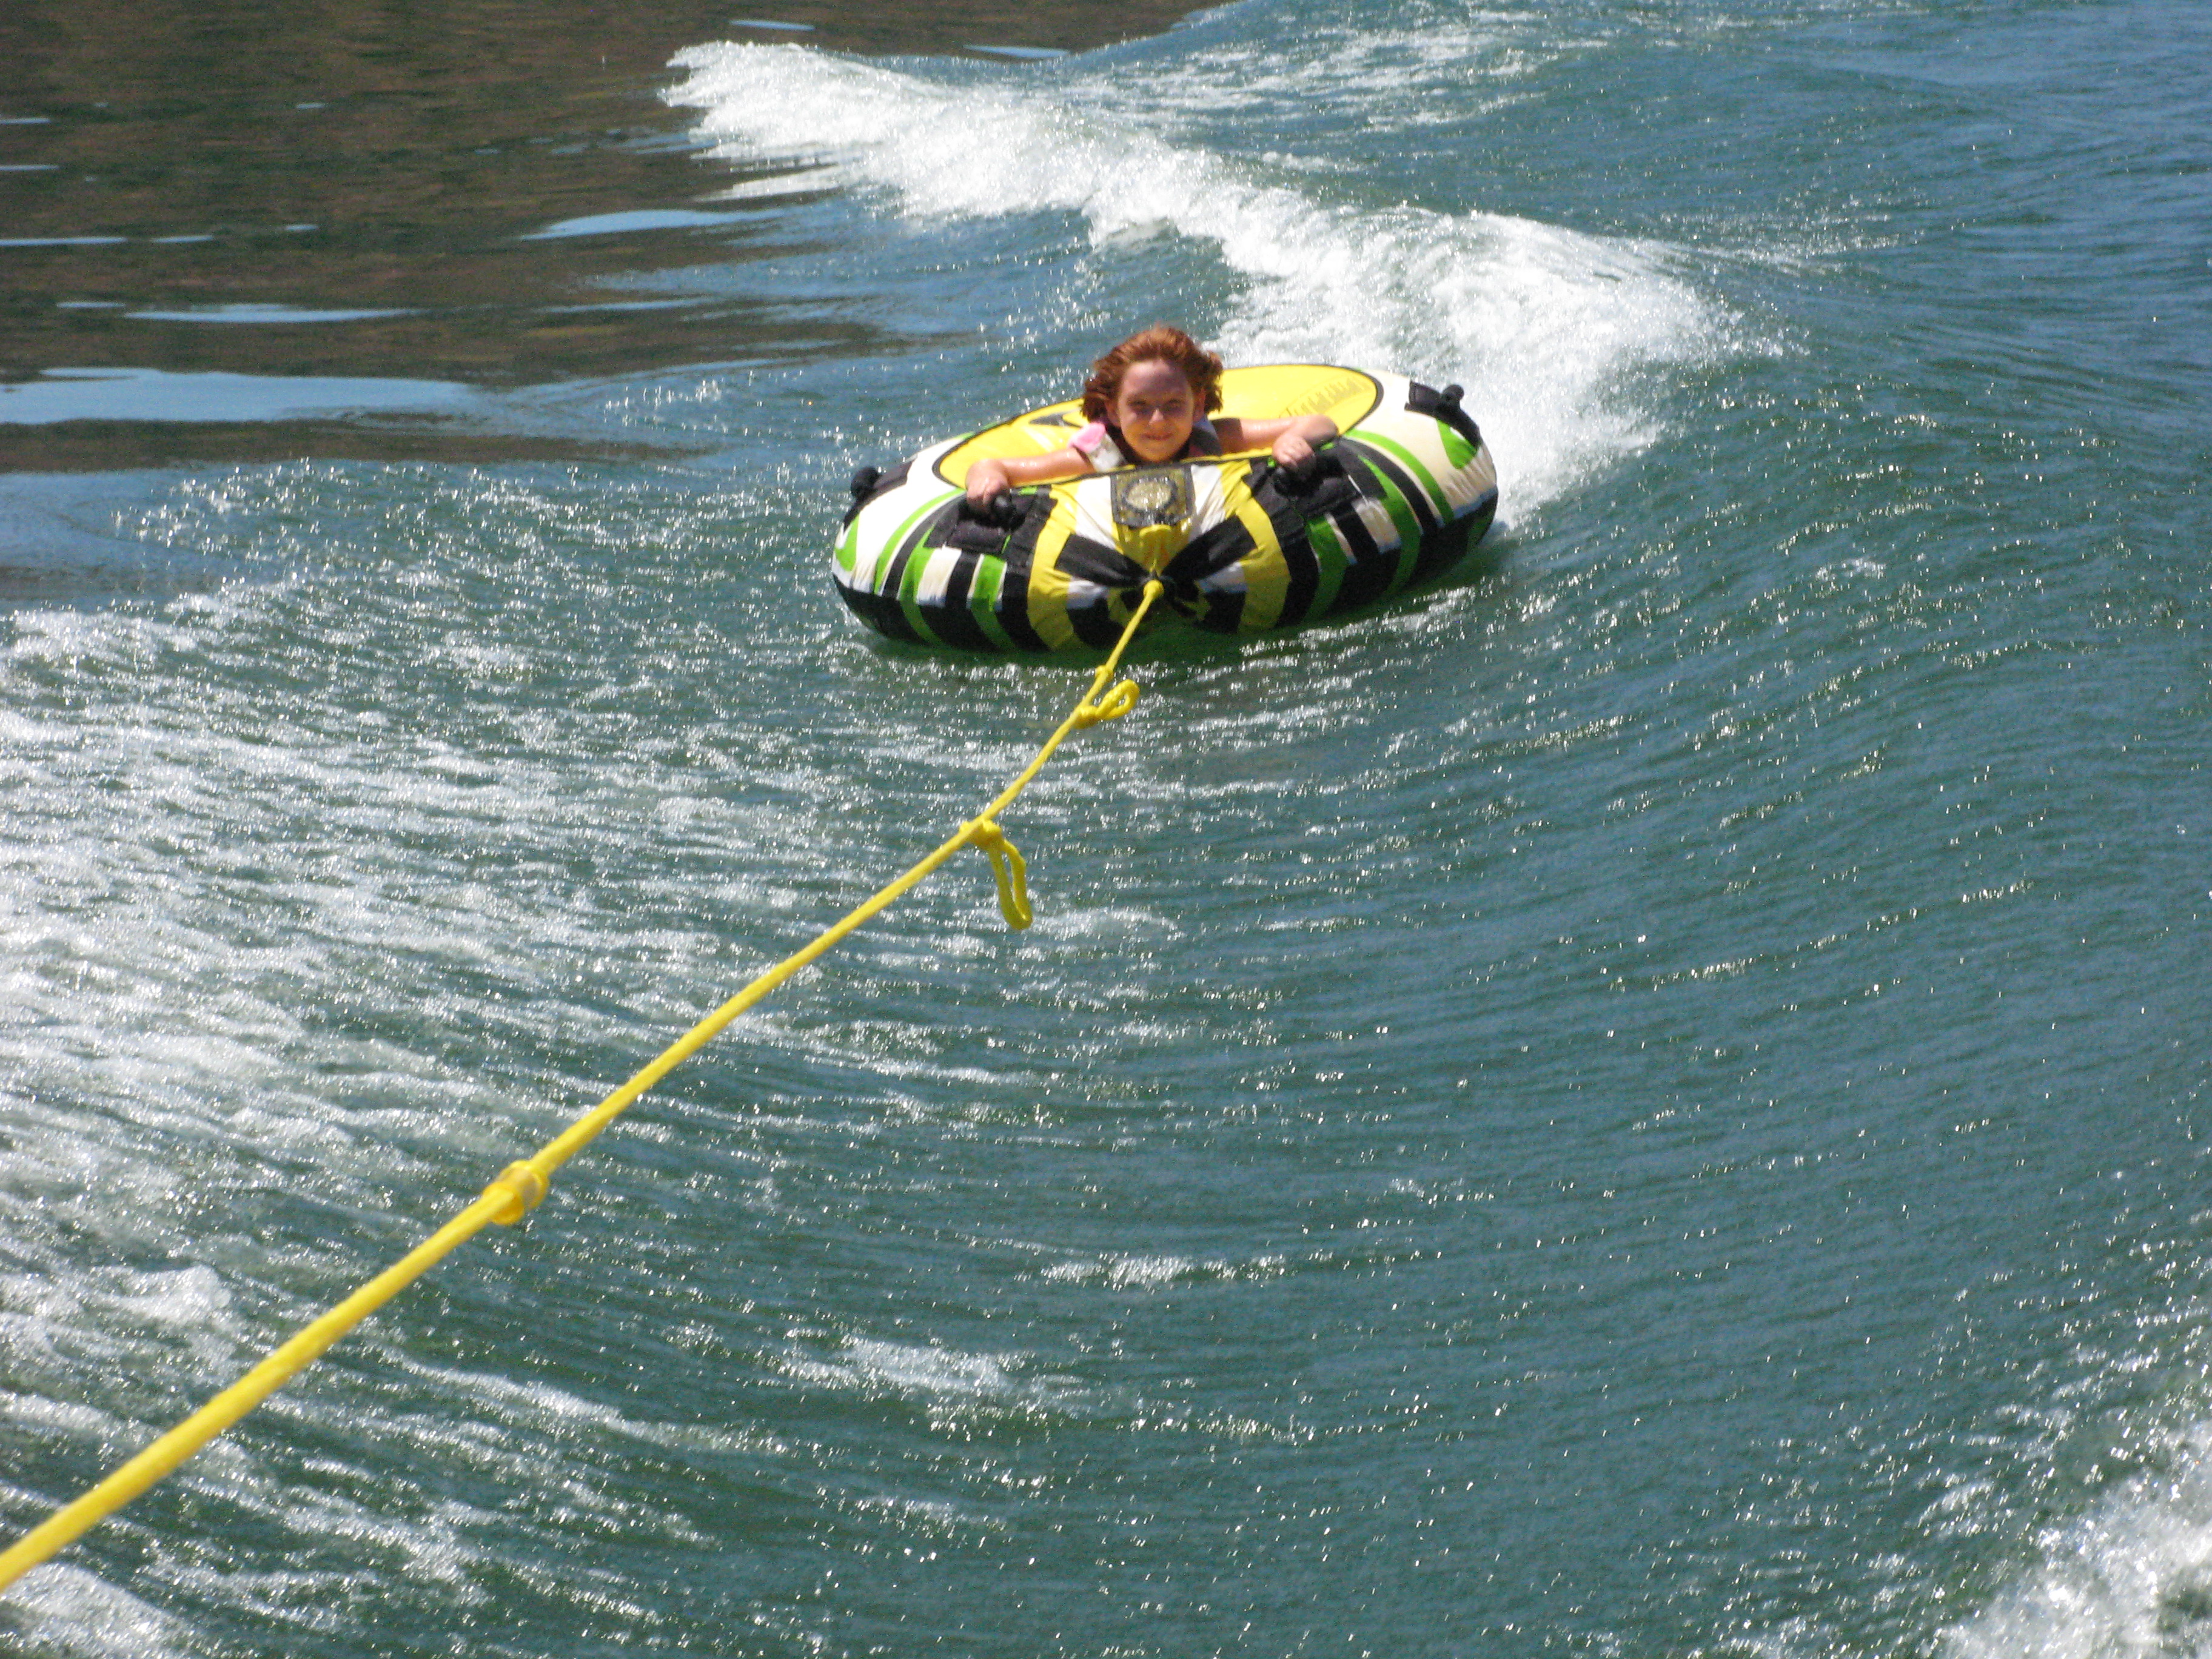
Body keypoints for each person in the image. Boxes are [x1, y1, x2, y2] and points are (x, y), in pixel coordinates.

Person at [962, 325, 1339, 504]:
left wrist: (1292, 440)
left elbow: (1322, 423)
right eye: (1139, 407)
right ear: (1113, 410)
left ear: (1197, 406)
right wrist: (987, 480)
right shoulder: (1099, 457)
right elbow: (994, 467)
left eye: (1173, 405)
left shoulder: (1215, 438)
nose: (1157, 422)